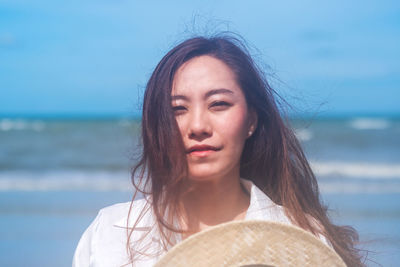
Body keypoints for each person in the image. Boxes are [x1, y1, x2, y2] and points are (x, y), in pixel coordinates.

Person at [73, 34, 364, 267]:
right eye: (178, 109)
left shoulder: (303, 242)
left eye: (219, 104)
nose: (197, 125)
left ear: (251, 120)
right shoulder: (110, 234)